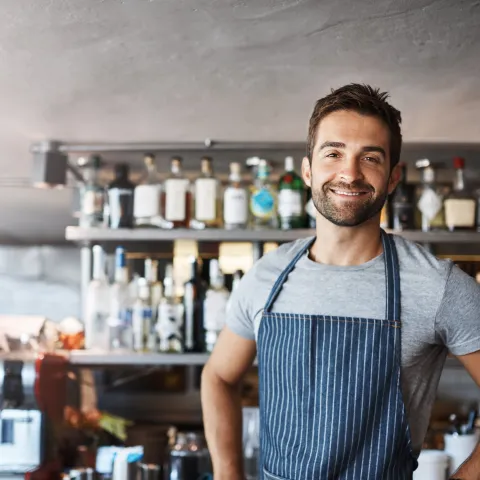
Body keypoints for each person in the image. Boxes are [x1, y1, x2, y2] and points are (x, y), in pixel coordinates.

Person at [201, 84, 480, 479]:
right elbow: (218, 376)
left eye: (370, 157)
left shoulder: (439, 286)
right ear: (308, 170)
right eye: (334, 153)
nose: (350, 173)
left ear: (394, 177)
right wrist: (228, 474)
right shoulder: (267, 277)